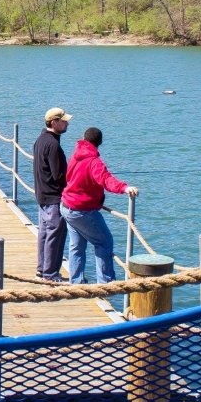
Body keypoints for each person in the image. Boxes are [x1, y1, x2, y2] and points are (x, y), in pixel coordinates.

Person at [61, 127, 140, 287]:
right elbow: (106, 180)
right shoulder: (95, 162)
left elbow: (69, 176)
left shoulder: (75, 156)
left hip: (66, 206)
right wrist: (124, 188)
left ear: (84, 138)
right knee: (104, 242)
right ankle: (106, 284)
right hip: (82, 211)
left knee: (76, 245)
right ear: (100, 143)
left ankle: (76, 283)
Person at [33, 107, 71, 282]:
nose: (67, 123)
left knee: (44, 233)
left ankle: (42, 269)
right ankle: (51, 274)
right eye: (63, 121)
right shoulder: (53, 145)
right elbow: (59, 175)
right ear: (54, 123)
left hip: (42, 194)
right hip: (53, 196)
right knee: (54, 234)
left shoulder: (40, 140)